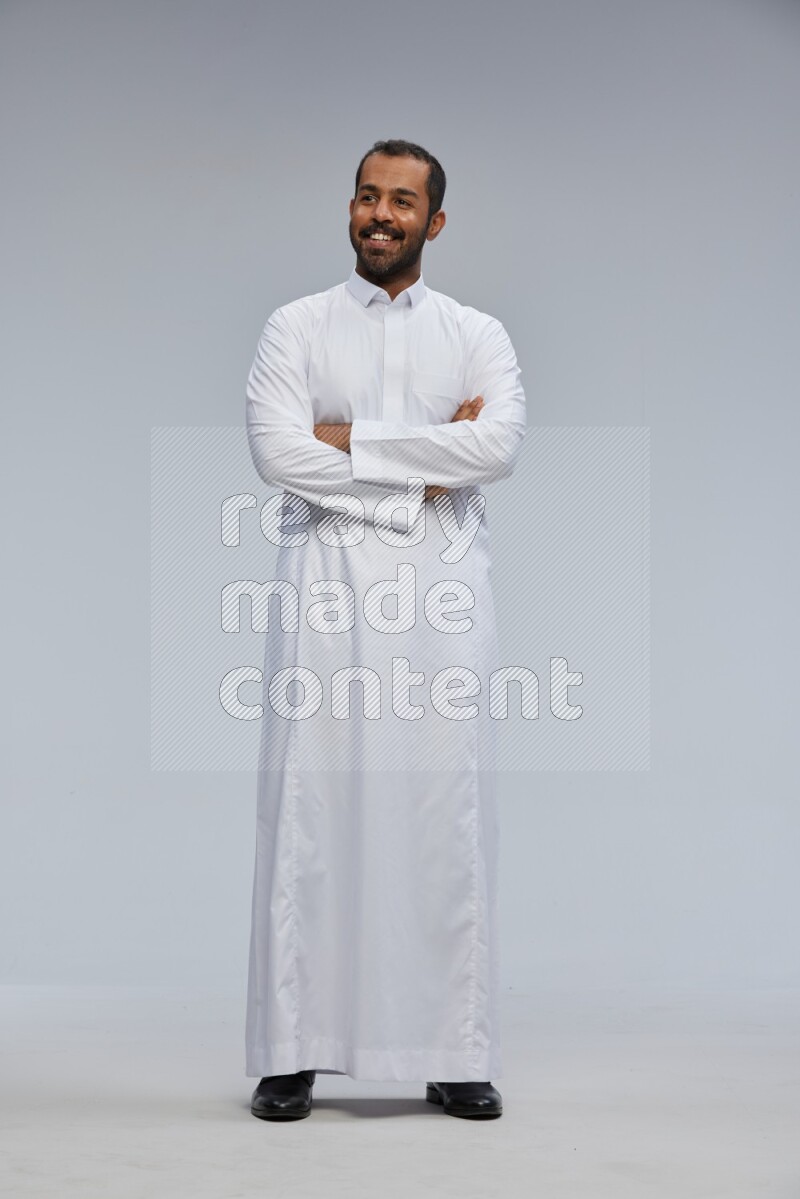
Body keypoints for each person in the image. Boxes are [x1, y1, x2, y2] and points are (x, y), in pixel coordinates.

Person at [244, 138, 527, 1121]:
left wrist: (347, 438)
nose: (380, 213)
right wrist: (424, 468)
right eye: (368, 195)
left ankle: (454, 1051)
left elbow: (497, 444)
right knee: (311, 812)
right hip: (324, 597)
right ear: (350, 208)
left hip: (443, 602)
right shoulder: (297, 325)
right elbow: (278, 453)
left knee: (444, 812)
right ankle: (292, 1051)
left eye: (402, 201)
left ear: (433, 222)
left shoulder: (475, 333)